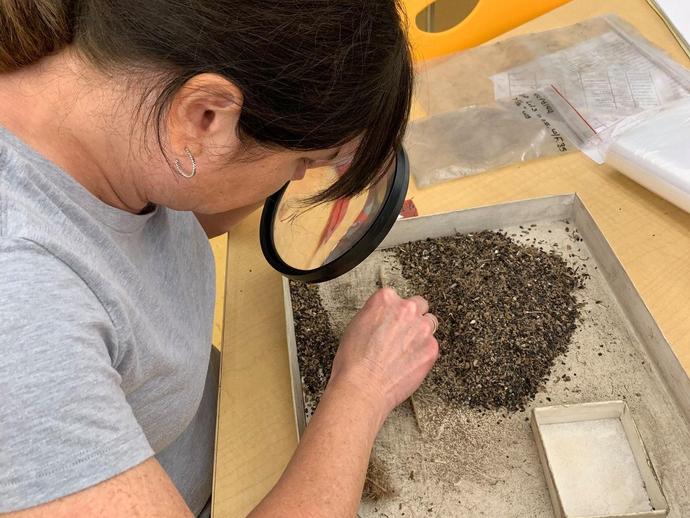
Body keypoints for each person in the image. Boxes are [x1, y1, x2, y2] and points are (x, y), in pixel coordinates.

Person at [0, 1, 439, 516]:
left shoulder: (100, 100)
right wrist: (363, 388)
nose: (296, 180)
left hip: (211, 427)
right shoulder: (24, 309)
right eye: (303, 163)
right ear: (205, 115)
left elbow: (148, 239)